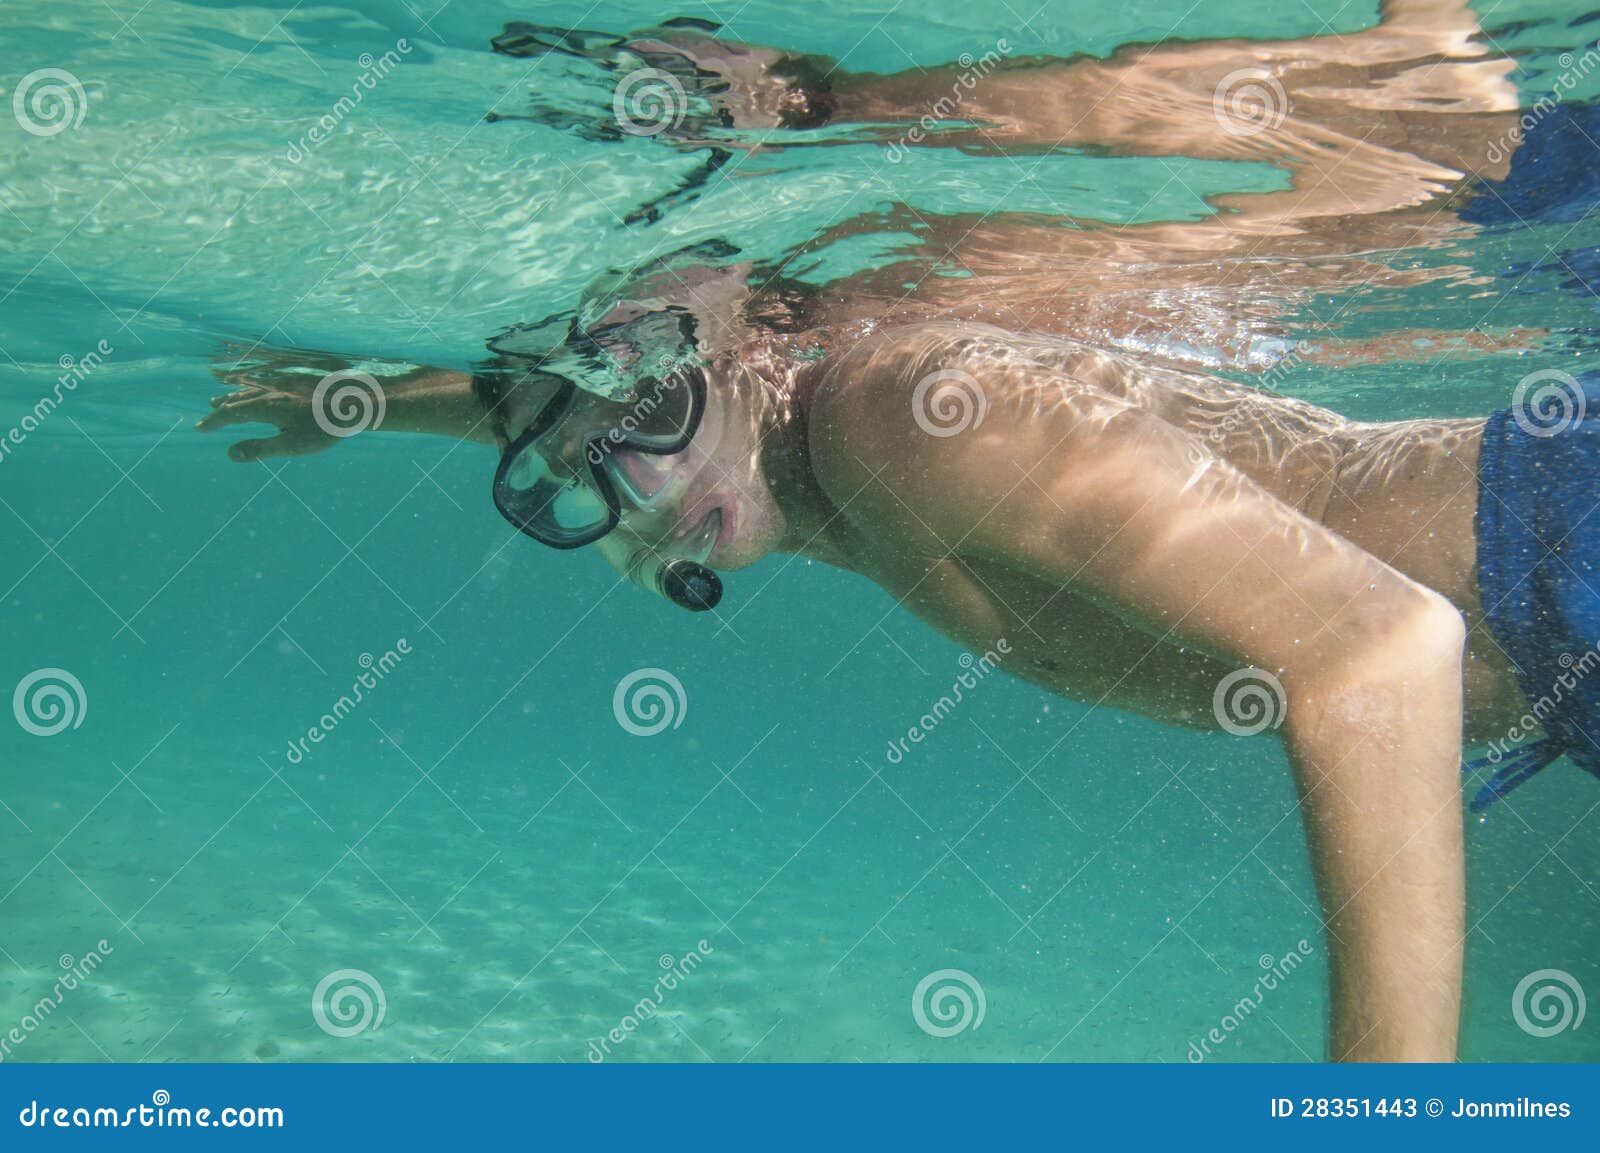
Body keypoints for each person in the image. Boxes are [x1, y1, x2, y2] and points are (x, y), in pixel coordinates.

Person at [197, 2, 1600, 1061]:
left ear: (747, 326)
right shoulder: (803, 462)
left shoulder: (898, 415)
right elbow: (583, 397)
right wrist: (374, 398)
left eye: (639, 407)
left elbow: (1384, 649)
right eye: (577, 471)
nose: (622, 481)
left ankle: (1426, 49)